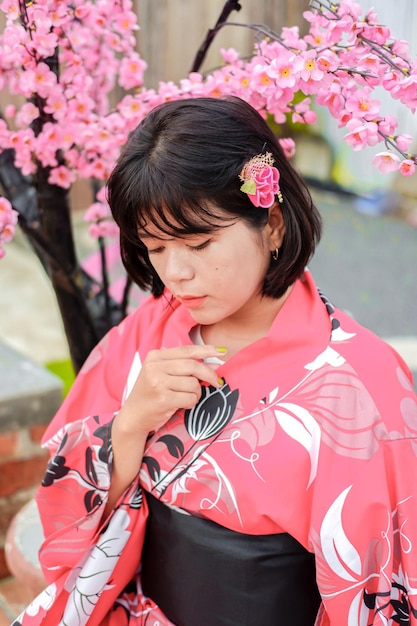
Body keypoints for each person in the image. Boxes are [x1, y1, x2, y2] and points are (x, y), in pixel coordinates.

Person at [14, 96, 417, 626]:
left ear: (271, 223)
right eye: (155, 248)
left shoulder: (362, 381)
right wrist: (131, 425)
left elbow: (379, 589)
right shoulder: (150, 328)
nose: (176, 273)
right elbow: (66, 509)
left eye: (199, 243)